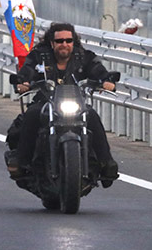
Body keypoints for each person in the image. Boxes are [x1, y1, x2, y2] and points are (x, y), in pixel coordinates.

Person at [8, 22, 119, 185]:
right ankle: (22, 162)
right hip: (46, 101)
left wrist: (106, 81)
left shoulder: (84, 56)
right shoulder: (40, 56)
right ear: (52, 43)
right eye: (60, 41)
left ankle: (106, 163)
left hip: (75, 102)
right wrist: (23, 82)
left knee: (92, 116)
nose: (64, 44)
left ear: (74, 41)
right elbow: (28, 70)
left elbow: (97, 70)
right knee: (31, 115)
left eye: (68, 40)